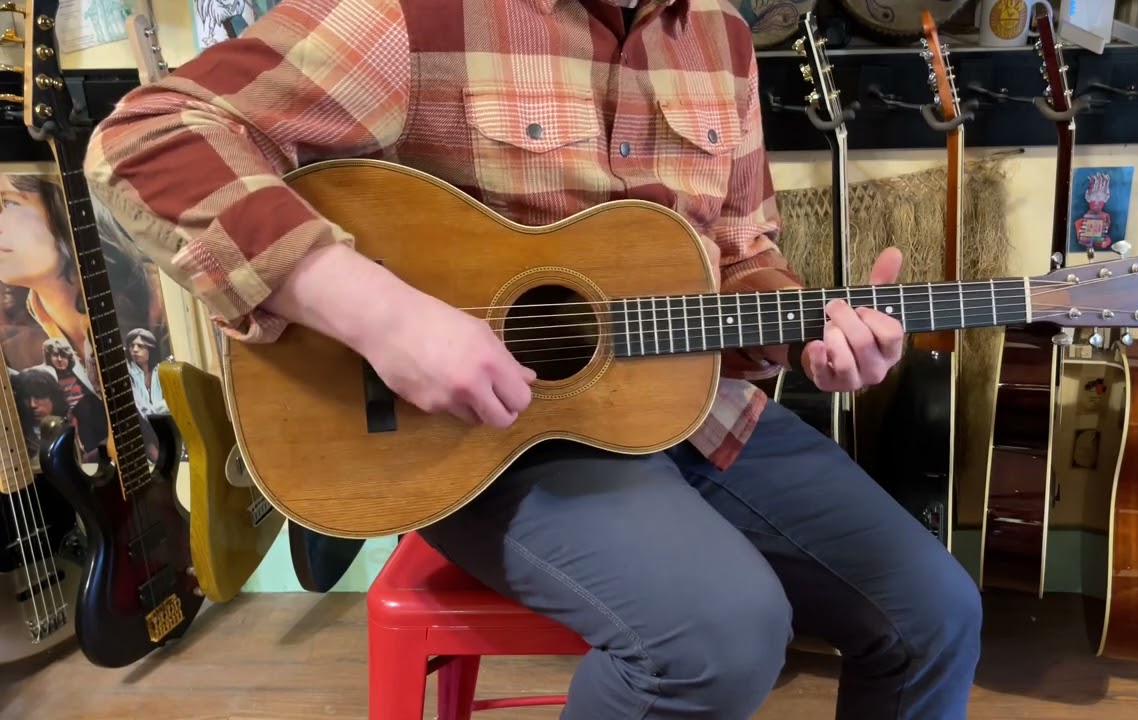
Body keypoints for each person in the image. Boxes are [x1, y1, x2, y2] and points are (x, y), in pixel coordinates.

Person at [83, 0, 982, 717]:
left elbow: (741, 252)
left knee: (935, 615)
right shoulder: (416, 14)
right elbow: (145, 142)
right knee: (718, 639)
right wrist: (382, 314)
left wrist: (811, 338)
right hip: (482, 442)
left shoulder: (721, 35)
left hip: (691, 409)